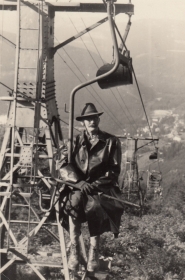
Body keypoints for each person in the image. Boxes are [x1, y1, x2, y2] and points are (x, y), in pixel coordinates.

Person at [58, 103, 124, 272]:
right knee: (72, 205)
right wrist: (78, 182)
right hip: (78, 186)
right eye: (88, 119)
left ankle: (93, 253)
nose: (92, 122)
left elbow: (114, 169)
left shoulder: (111, 141)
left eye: (94, 118)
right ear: (83, 122)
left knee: (96, 207)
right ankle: (74, 251)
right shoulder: (74, 141)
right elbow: (63, 164)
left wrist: (95, 185)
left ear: (98, 119)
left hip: (99, 188)